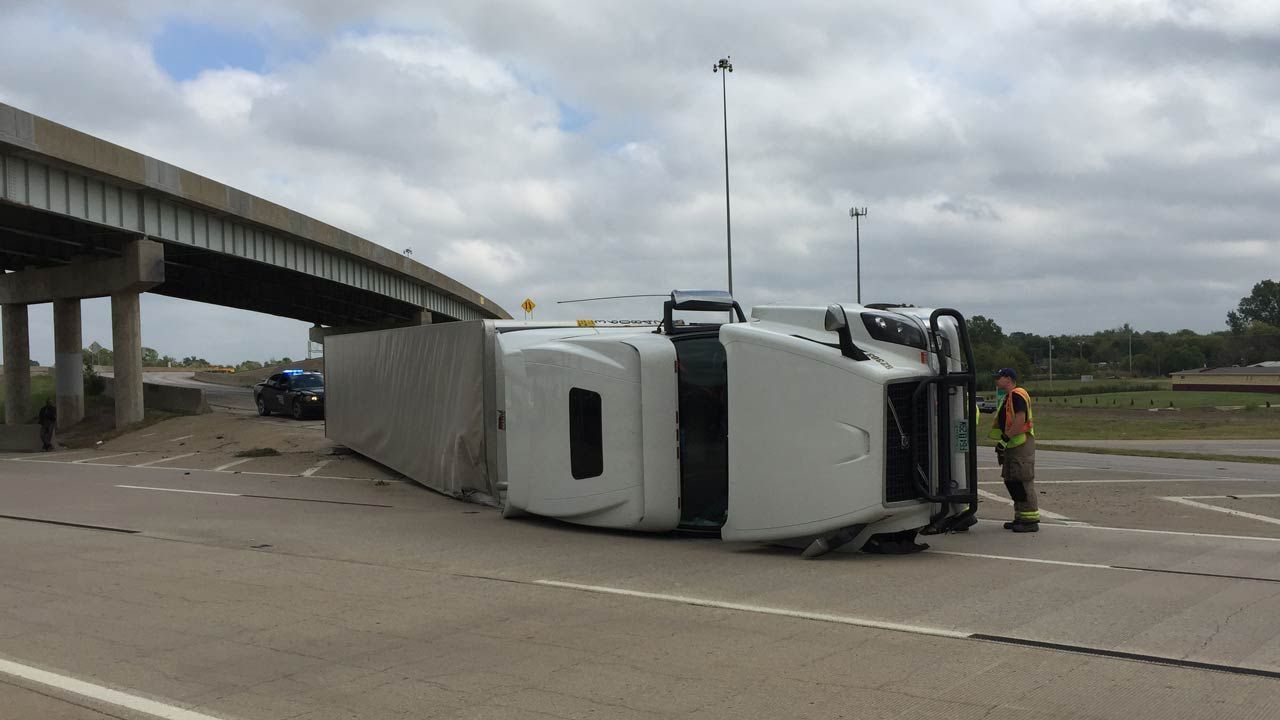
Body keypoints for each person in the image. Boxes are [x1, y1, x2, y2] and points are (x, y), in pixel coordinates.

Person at [989, 368, 1037, 532]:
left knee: (1022, 480)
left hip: (1020, 443)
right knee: (1012, 479)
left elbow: (1020, 420)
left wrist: (1006, 439)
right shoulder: (1009, 397)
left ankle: (1030, 520)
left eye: (998, 377)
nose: (996, 380)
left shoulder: (1017, 395)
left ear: (1008, 379)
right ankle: (1020, 517)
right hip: (1013, 444)